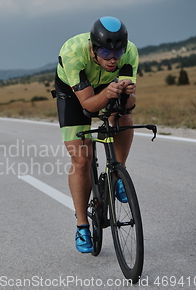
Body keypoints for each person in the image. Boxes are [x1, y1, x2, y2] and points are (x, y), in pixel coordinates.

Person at [52, 16, 138, 253]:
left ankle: (119, 171)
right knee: (81, 160)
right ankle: (82, 226)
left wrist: (127, 95)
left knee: (125, 116)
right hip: (73, 93)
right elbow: (89, 105)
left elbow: (130, 105)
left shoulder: (130, 53)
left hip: (107, 86)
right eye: (105, 52)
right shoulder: (73, 53)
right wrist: (110, 94)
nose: (112, 59)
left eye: (117, 53)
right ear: (93, 47)